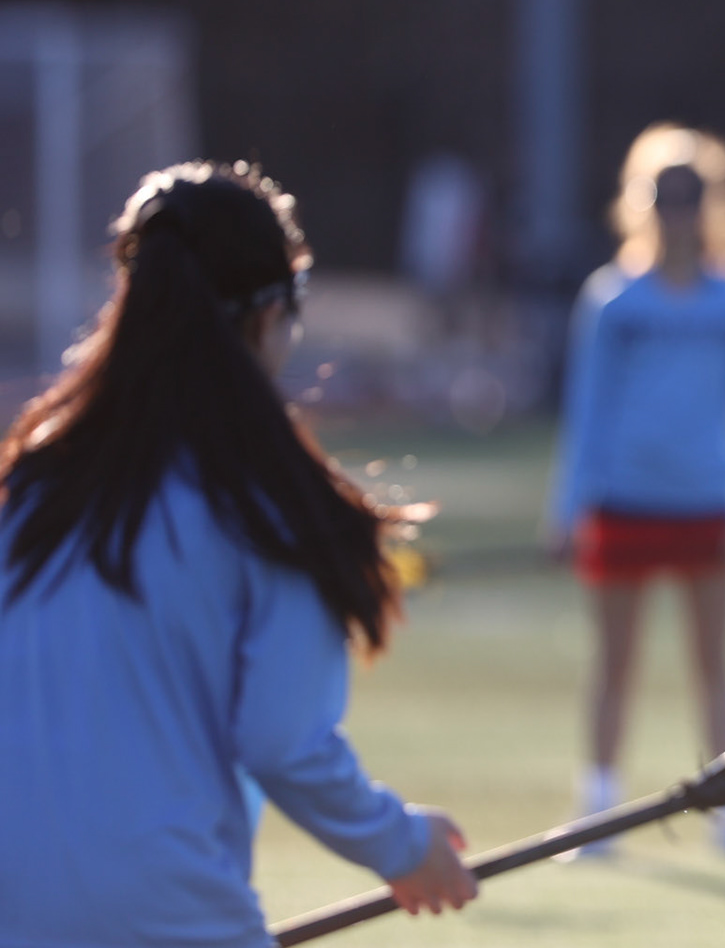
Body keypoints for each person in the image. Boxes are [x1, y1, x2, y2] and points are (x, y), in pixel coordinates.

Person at [0, 162, 475, 946]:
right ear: (267, 318)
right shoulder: (268, 510)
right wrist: (403, 844)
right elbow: (285, 744)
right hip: (167, 916)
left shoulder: (35, 488)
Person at [547, 124, 725, 859]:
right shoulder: (613, 300)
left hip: (705, 505)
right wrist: (569, 507)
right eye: (664, 196)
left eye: (691, 196)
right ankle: (599, 808)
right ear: (640, 201)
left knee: (715, 666)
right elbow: (585, 409)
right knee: (614, 664)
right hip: (623, 502)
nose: (677, 211)